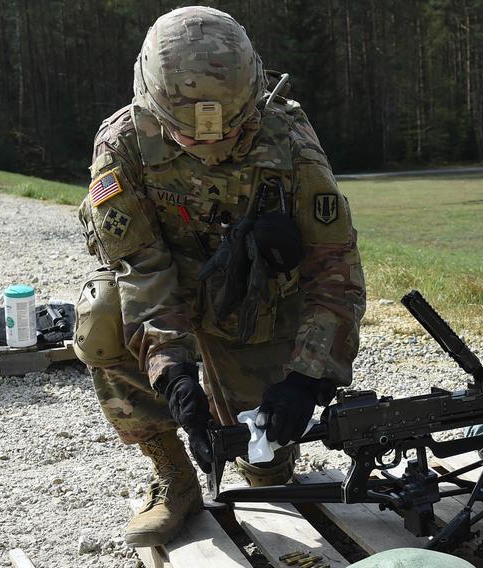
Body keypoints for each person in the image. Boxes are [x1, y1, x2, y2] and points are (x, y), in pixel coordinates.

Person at [72, 6, 365, 546]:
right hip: (170, 295)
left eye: (229, 133)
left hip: (252, 306)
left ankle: (265, 457)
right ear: (155, 108)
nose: (212, 147)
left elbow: (335, 271)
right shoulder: (122, 147)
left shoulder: (289, 142)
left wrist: (307, 377)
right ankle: (174, 478)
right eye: (192, 137)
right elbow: (141, 268)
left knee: (267, 472)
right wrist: (174, 374)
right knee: (101, 313)